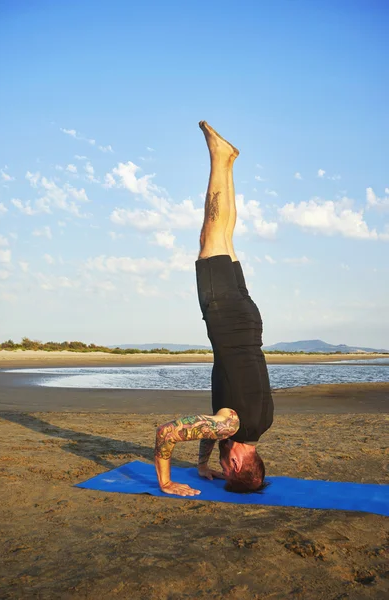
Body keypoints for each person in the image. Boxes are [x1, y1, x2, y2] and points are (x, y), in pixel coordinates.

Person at [154, 121, 274, 496]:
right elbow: (167, 433)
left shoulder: (261, 423)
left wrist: (205, 464)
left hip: (248, 322)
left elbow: (215, 424)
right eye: (228, 466)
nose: (226, 465)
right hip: (224, 315)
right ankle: (220, 158)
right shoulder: (229, 427)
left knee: (224, 236)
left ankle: (227, 162)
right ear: (236, 462)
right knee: (210, 234)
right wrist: (167, 481)